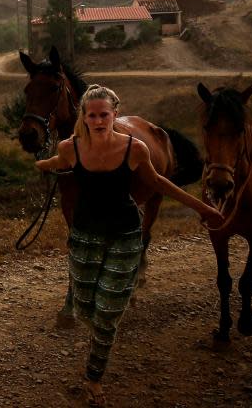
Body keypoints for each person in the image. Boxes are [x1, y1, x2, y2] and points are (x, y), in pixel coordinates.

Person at [34, 84, 223, 407]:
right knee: (83, 306)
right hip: (84, 236)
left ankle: (94, 378)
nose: (98, 120)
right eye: (91, 115)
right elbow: (56, 161)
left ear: (114, 115)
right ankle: (98, 332)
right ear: (85, 116)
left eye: (103, 114)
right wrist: (42, 165)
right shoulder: (71, 148)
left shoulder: (135, 149)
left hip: (124, 234)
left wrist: (202, 207)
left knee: (107, 314)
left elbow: (158, 182)